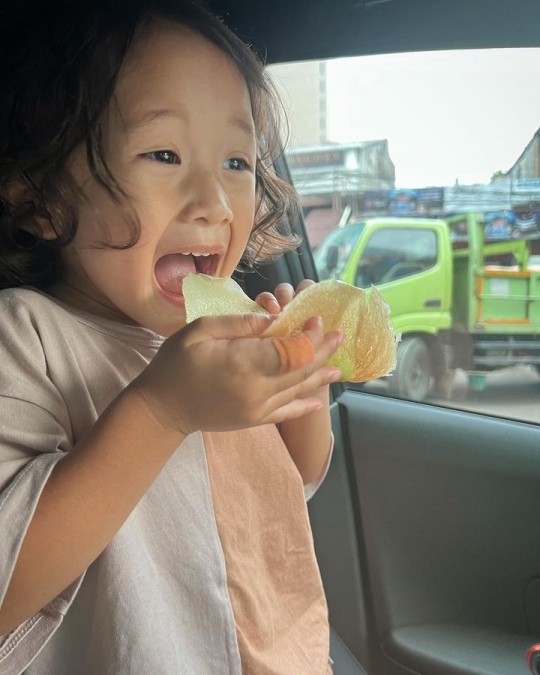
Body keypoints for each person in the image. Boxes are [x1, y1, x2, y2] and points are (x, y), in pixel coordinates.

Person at [0, 0, 343, 673]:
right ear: (40, 198)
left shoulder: (218, 334)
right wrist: (162, 410)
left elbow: (282, 487)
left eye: (239, 163)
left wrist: (300, 389)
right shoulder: (27, 338)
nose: (215, 201)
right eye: (164, 153)